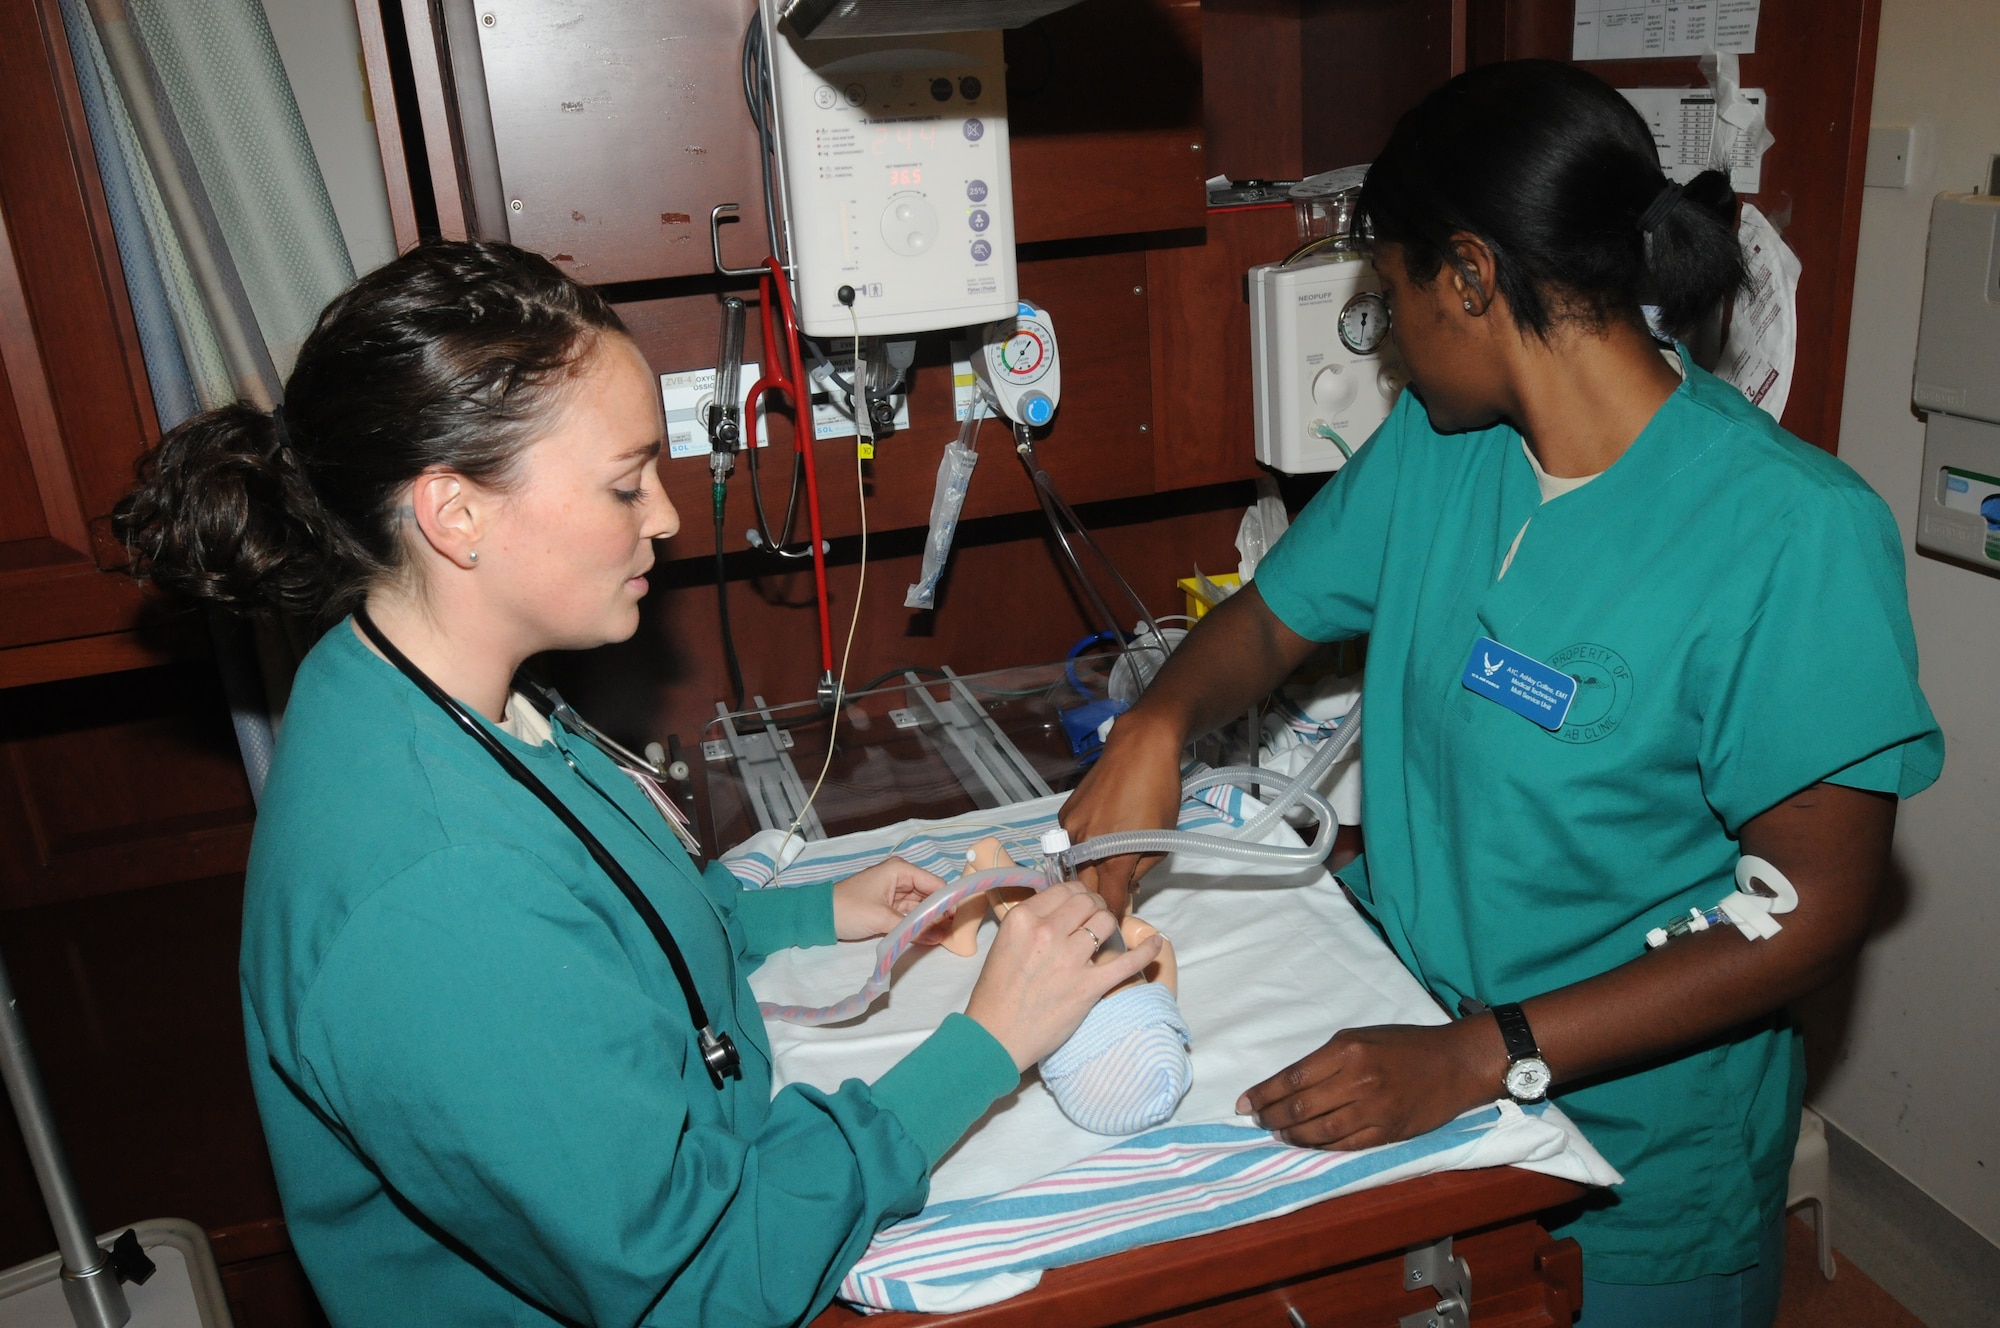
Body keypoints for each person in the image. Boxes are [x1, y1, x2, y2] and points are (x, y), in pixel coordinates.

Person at [115, 240, 1159, 1327]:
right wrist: (986, 1046)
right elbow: (701, 1281)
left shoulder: (430, 686)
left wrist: (798, 914)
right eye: (625, 484)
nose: (663, 516)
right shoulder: (433, 895)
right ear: (455, 513)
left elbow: (599, 915)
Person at [1061, 60, 1940, 1328]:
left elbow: (1812, 911)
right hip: (1407, 1047)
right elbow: (1266, 621)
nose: (1386, 338)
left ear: (1469, 277)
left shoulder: (1790, 534)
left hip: (1629, 1167)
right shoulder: (1442, 448)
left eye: (1390, 293)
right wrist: (1154, 724)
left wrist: (1487, 1051)